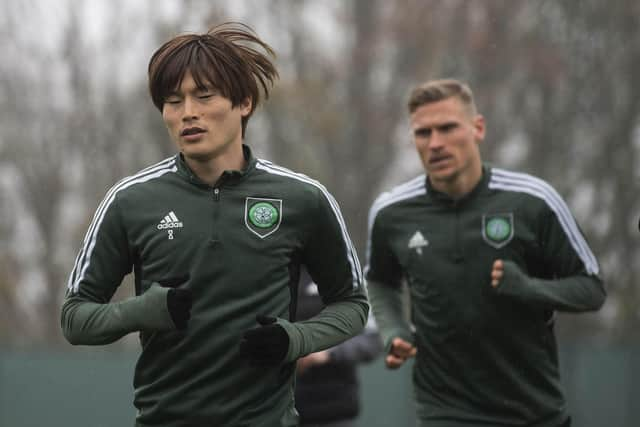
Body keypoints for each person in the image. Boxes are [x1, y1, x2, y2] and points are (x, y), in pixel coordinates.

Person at [61, 23, 368, 427]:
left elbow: (353, 305)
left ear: (244, 102)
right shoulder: (129, 200)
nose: (188, 112)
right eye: (173, 101)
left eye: (204, 96)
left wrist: (294, 339)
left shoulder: (304, 199)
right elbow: (75, 318)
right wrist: (143, 311)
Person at [365, 79, 605, 427]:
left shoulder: (533, 201)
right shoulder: (391, 212)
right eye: (423, 133)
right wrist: (395, 331)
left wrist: (529, 288)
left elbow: (592, 289)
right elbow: (380, 282)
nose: (435, 144)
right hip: (443, 410)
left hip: (534, 411)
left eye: (447, 128)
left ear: (477, 128)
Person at [294, 270, 382, 427]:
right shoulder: (274, 274)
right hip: (282, 410)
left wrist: (328, 353)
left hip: (335, 408)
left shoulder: (348, 276)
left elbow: (373, 338)